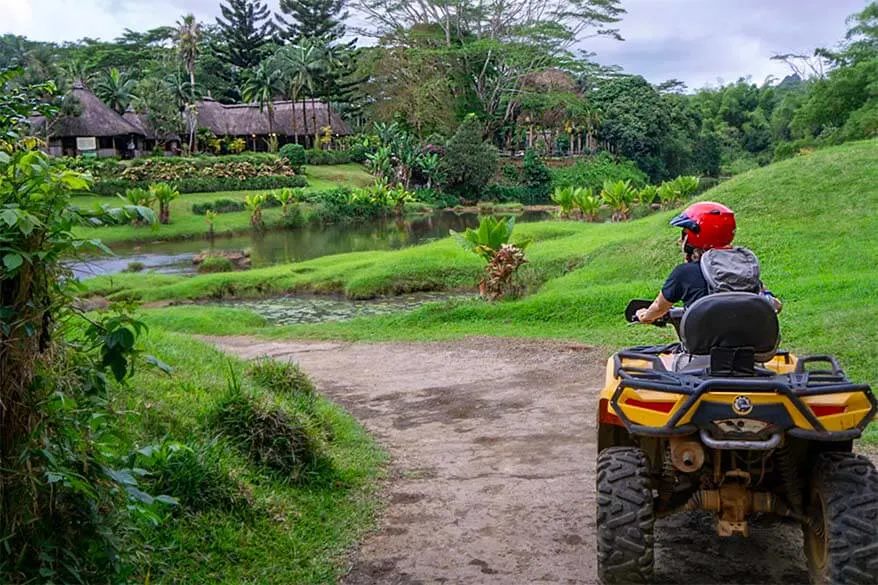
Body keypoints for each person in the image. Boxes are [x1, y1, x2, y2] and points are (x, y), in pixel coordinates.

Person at [635, 202, 781, 325]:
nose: (680, 240)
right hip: (754, 348)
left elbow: (659, 307)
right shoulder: (743, 270)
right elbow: (774, 304)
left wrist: (644, 316)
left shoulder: (684, 273)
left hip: (703, 350)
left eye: (684, 234)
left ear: (694, 235)